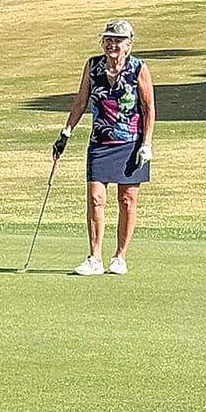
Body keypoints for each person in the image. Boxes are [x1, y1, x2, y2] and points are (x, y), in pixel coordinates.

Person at [52, 19, 154, 275]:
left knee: (127, 200)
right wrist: (65, 133)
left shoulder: (138, 68)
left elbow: (149, 108)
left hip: (131, 143)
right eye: (108, 39)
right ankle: (94, 257)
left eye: (118, 40)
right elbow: (80, 102)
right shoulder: (93, 66)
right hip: (100, 142)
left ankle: (120, 256)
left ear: (129, 44)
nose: (112, 44)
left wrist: (147, 144)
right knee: (96, 199)